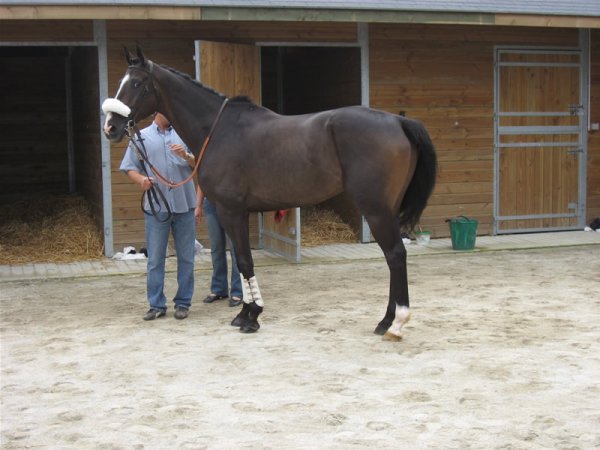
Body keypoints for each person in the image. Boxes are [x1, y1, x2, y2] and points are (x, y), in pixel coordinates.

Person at [120, 113, 197, 321]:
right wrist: (141, 180)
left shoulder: (185, 134)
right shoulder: (141, 137)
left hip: (184, 204)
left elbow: (199, 164)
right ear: (157, 112)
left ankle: (183, 303)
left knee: (187, 258)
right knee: (155, 259)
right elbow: (128, 167)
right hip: (157, 206)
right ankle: (156, 304)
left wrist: (187, 156)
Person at [195, 186, 243, 308]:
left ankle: (238, 291)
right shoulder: (206, 165)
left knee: (235, 249)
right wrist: (198, 205)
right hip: (211, 203)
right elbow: (201, 182)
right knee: (216, 248)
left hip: (231, 203)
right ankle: (219, 288)